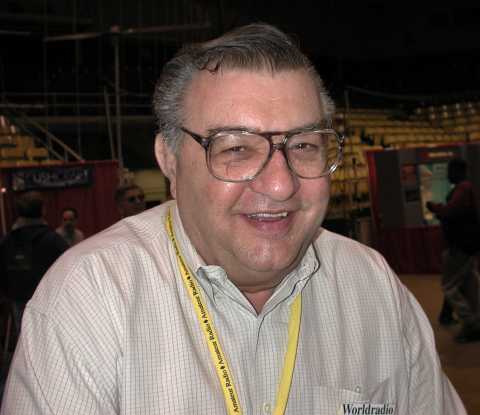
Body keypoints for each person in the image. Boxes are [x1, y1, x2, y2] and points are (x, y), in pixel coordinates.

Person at [2, 24, 466, 414]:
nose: (280, 185)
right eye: (237, 148)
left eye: (304, 145)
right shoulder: (90, 297)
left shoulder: (373, 284)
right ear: (169, 160)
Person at [427, 158, 480, 343]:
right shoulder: (466, 188)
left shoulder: (463, 189)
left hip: (460, 247)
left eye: (450, 170)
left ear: (458, 171)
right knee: (470, 286)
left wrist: (435, 207)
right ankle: (475, 322)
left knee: (449, 286)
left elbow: (450, 211)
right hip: (467, 246)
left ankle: (471, 323)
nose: (447, 174)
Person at [0, 191, 68, 333]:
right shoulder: (54, 240)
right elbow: (69, 268)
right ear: (43, 210)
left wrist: (8, 294)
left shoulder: (8, 240)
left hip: (18, 297)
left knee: (24, 338)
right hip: (48, 298)